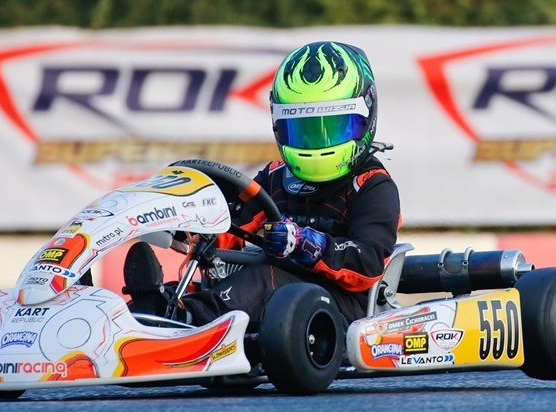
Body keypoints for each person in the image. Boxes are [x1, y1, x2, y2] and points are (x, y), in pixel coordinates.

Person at [124, 40, 401, 327]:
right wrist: (191, 230)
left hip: (341, 308)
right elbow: (233, 225)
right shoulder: (276, 177)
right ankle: (147, 317)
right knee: (190, 289)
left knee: (265, 280)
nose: (315, 143)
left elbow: (367, 263)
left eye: (332, 128)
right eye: (302, 130)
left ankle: (187, 320)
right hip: (279, 305)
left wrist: (306, 243)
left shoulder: (372, 185)